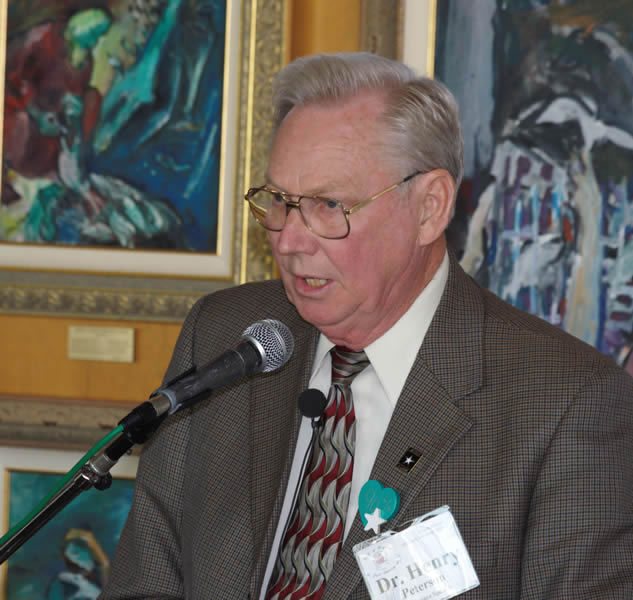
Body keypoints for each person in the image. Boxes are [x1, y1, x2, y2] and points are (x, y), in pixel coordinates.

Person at [100, 52, 633, 599]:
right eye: (279, 201)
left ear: (429, 208)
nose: (289, 240)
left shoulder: (566, 404)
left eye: (330, 205)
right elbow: (145, 584)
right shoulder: (224, 336)